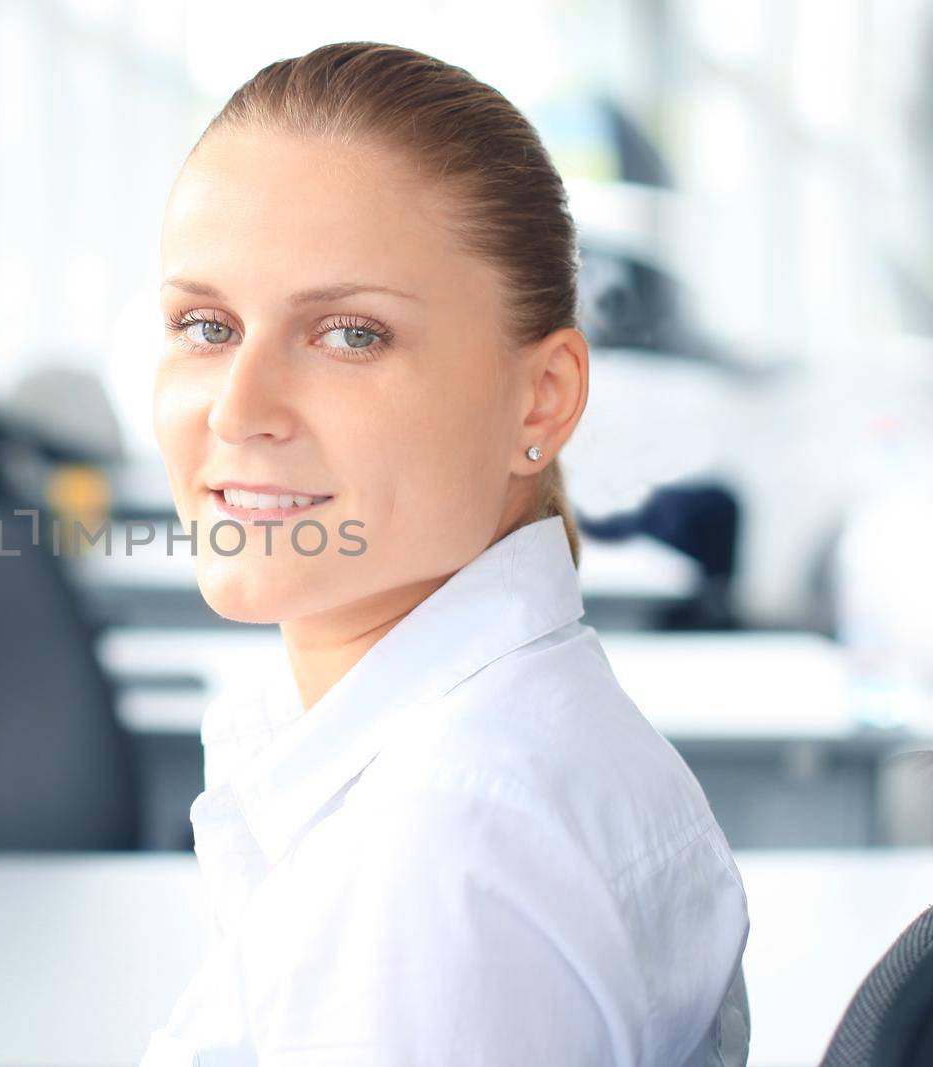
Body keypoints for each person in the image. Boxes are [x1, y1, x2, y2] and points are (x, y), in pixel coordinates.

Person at [142, 41, 750, 1065]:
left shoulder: (443, 851)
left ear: (542, 397)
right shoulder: (477, 752)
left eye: (349, 335)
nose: (238, 408)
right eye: (206, 325)